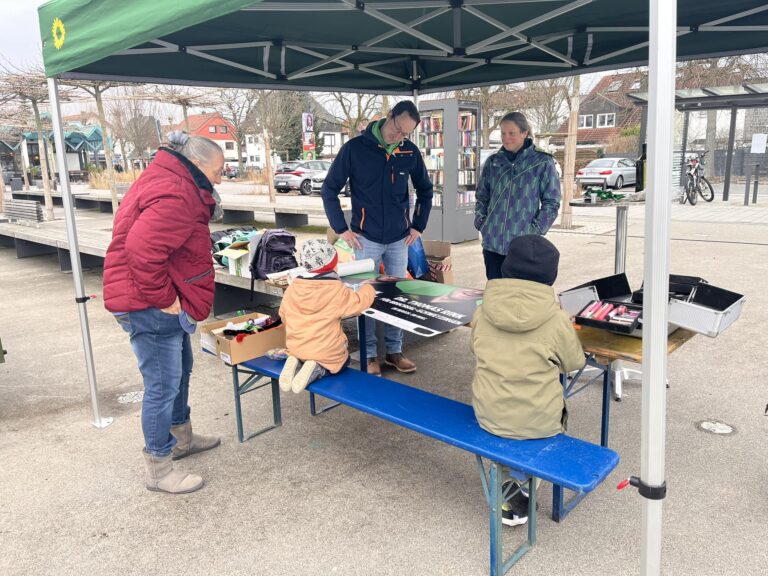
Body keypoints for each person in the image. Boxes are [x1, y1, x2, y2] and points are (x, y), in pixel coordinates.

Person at [103, 131, 225, 495]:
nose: (221, 177)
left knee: (180, 371)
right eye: (219, 170)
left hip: (151, 298)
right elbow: (142, 250)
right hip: (148, 306)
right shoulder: (177, 191)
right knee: (161, 386)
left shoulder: (171, 178)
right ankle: (158, 469)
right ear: (199, 163)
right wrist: (164, 299)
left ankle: (181, 437)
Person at [470, 234, 585, 526]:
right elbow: (574, 362)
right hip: (538, 422)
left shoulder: (483, 311)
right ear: (550, 276)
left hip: (488, 413)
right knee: (544, 416)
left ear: (507, 267)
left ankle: (513, 485)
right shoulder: (556, 319)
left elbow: (475, 347)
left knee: (508, 416)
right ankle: (523, 482)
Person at [321, 100, 433, 375]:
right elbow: (329, 190)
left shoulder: (409, 151)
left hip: (399, 239)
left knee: (396, 296)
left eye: (406, 134)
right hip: (365, 238)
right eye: (398, 129)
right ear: (389, 117)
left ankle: (394, 351)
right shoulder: (355, 149)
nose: (399, 137)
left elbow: (426, 190)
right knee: (366, 298)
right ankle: (370, 355)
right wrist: (342, 229)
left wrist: (418, 225)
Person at [278, 239, 376, 392]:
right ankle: (317, 369)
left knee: (302, 352)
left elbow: (283, 315)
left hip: (295, 346)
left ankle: (295, 360)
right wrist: (368, 288)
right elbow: (358, 303)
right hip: (325, 352)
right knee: (342, 362)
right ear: (332, 264)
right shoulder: (335, 290)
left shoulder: (293, 287)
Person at [474, 112, 561, 280]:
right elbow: (482, 196)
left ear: (524, 133)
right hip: (493, 245)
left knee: (518, 298)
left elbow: (552, 202)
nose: (506, 138)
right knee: (496, 295)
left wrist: (534, 232)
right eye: (503, 133)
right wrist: (482, 222)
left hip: (523, 249)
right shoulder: (493, 162)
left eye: (511, 133)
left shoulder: (542, 162)